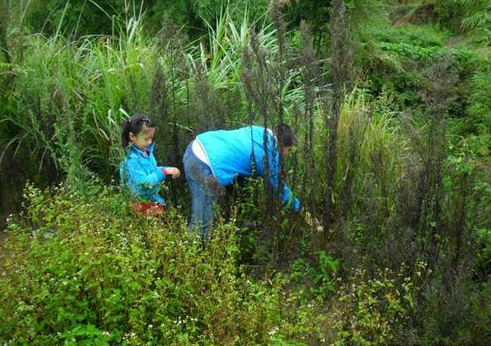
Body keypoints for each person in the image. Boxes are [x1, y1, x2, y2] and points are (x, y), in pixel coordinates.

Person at [183, 124, 301, 240]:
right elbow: (280, 189)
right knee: (201, 224)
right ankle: (189, 249)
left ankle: (234, 224)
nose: (287, 154)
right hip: (201, 164)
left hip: (200, 145)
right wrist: (301, 210)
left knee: (236, 187)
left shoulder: (260, 131)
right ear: (280, 145)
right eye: (288, 150)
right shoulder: (265, 157)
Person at [120, 113, 180, 216]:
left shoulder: (146, 153)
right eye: (146, 139)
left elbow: (153, 170)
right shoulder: (131, 160)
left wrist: (168, 169)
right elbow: (143, 183)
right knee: (160, 225)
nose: (149, 142)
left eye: (151, 138)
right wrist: (164, 172)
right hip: (140, 204)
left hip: (151, 199)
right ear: (132, 136)